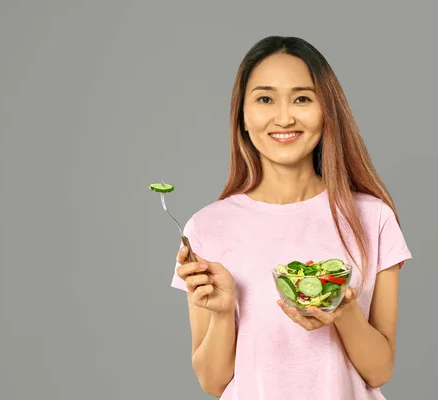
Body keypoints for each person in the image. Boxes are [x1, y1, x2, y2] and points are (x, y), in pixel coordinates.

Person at [171, 35, 412, 400]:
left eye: (302, 98)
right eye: (265, 99)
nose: (284, 117)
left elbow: (381, 370)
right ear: (243, 116)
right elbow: (213, 382)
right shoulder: (205, 228)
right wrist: (222, 312)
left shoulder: (373, 218)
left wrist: (343, 313)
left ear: (326, 111)